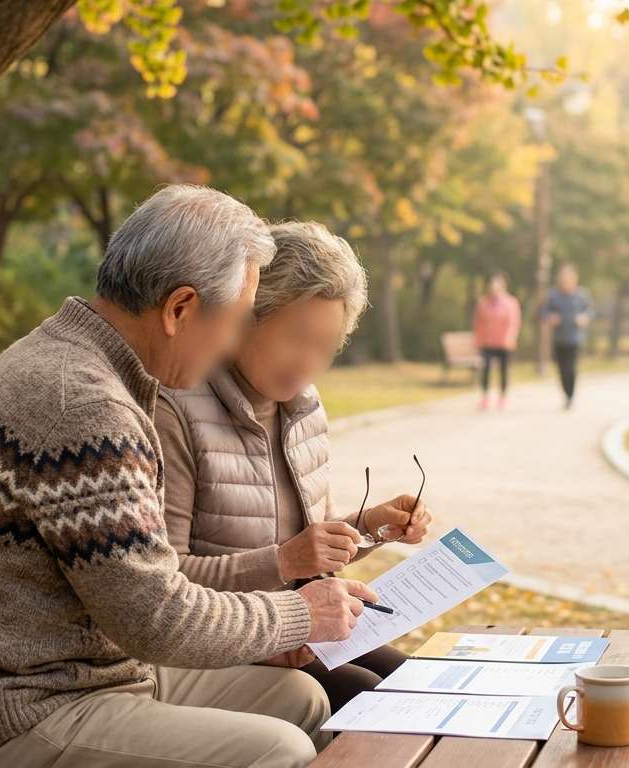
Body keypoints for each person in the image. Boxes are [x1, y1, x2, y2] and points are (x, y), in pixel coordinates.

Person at [0, 186, 378, 768]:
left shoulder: (76, 360)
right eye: (233, 323)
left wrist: (276, 629)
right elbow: (157, 616)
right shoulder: (82, 406)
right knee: (276, 751)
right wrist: (300, 616)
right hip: (14, 710)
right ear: (179, 309)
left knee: (302, 700)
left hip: (93, 671)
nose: (232, 344)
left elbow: (142, 595)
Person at [155, 221, 431, 713]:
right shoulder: (177, 409)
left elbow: (310, 555)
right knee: (375, 700)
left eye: (325, 346)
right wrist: (283, 561)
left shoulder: (304, 408)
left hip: (303, 631)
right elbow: (161, 580)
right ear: (246, 317)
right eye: (296, 337)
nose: (308, 362)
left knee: (416, 681)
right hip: (227, 643)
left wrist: (368, 528)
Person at [542, 264, 594, 409]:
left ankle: (571, 395)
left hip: (574, 337)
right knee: (561, 368)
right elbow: (544, 311)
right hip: (559, 338)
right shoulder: (553, 295)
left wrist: (584, 318)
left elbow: (590, 310)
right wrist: (550, 317)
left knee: (570, 367)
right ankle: (566, 393)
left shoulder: (581, 295)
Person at [472, 273, 522, 410]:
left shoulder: (510, 303)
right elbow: (478, 322)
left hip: (504, 343)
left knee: (503, 370)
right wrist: (478, 340)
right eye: (491, 286)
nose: (493, 289)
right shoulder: (483, 303)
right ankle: (485, 396)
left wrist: (511, 337)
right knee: (486, 369)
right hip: (487, 342)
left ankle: (503, 396)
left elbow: (513, 322)